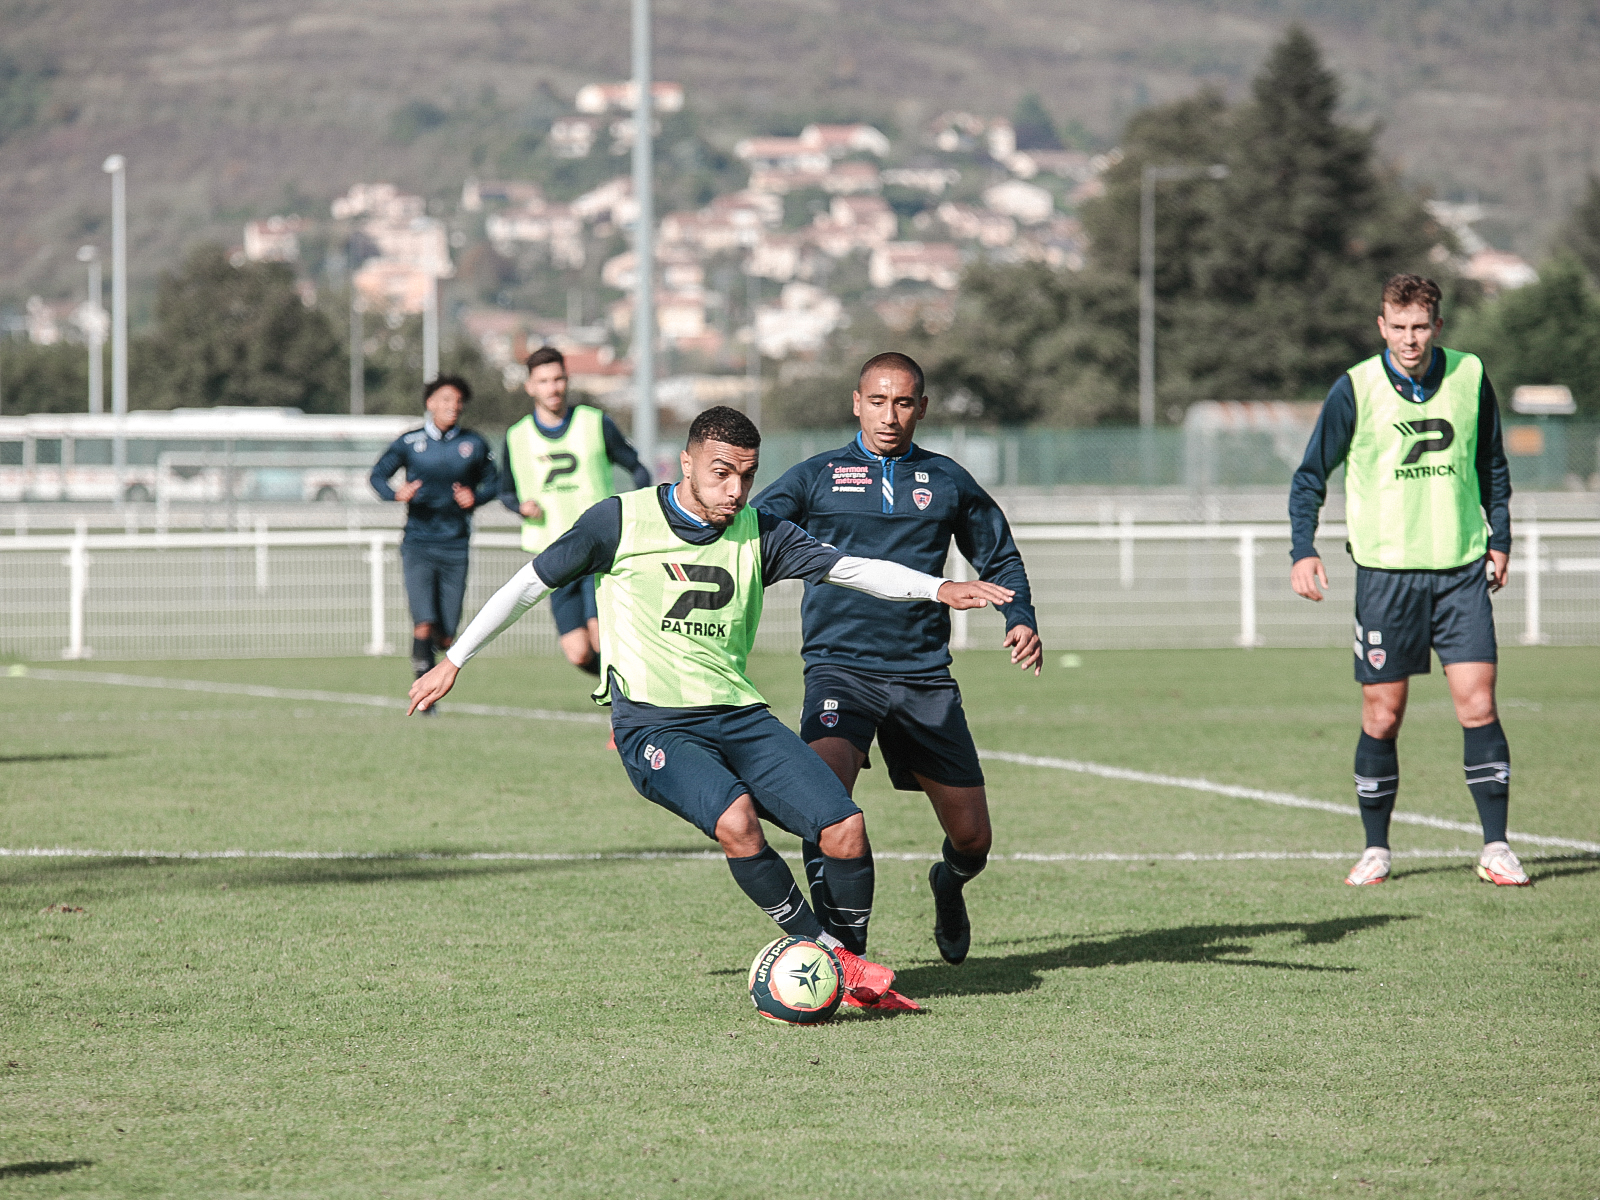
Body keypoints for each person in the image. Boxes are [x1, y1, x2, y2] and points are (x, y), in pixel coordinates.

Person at [409, 406, 1016, 1010]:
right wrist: (453, 659)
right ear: (687, 464)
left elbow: (849, 568)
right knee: (737, 821)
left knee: (846, 829)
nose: (736, 490)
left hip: (740, 716)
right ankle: (824, 950)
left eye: (747, 476)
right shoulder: (620, 522)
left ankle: (843, 965)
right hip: (655, 723)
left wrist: (935, 586)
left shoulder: (761, 531)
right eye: (722, 473)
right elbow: (527, 584)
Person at [752, 352, 1041, 966]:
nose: (890, 415)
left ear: (922, 408)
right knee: (824, 800)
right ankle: (839, 949)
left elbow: (1002, 557)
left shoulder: (947, 480)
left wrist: (1020, 619)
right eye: (878, 401)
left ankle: (948, 884)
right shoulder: (816, 475)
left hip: (922, 677)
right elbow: (751, 535)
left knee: (973, 839)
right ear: (856, 403)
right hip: (838, 669)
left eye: (903, 402)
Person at [1289, 274, 1524, 887]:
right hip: (1386, 577)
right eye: (1398, 327)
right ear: (1381, 326)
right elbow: (1310, 476)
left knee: (1478, 705)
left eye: (1420, 327)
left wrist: (1499, 538)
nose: (1409, 339)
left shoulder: (1470, 376)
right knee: (1383, 715)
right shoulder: (1356, 388)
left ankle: (1496, 847)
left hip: (1460, 572)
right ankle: (1376, 849)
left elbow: (1492, 464)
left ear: (1437, 326)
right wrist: (1302, 550)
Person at [499, 347, 651, 677]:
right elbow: (505, 491)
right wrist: (520, 507)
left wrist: (632, 508)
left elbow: (637, 469)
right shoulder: (516, 437)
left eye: (558, 379)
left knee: (602, 637)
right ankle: (628, 690)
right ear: (529, 387)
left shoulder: (595, 423)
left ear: (567, 380)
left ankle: (623, 716)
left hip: (598, 550)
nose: (553, 388)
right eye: (544, 381)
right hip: (553, 553)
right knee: (579, 653)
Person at [369, 375, 499, 695]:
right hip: (418, 543)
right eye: (444, 399)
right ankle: (424, 692)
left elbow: (496, 483)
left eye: (457, 401)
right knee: (423, 622)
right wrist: (395, 493)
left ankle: (435, 657)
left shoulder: (474, 444)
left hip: (456, 544)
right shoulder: (409, 442)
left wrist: (476, 498)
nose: (452, 406)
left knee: (447, 636)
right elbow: (377, 476)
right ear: (430, 403)